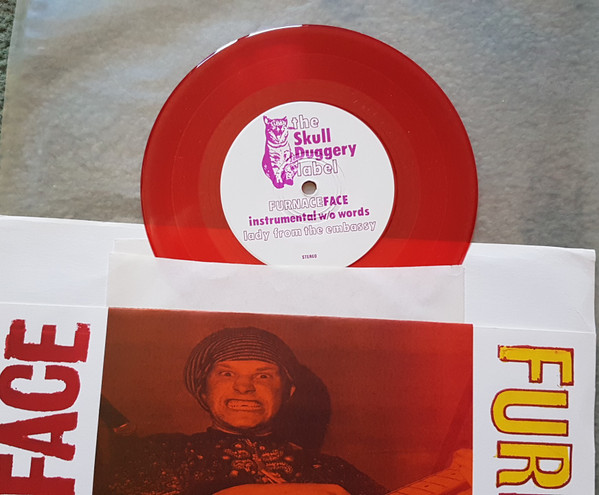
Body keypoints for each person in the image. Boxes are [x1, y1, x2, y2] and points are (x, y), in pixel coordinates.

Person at [97, 327, 388, 495]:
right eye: (226, 374)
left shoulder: (332, 470)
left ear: (288, 392)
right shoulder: (160, 455)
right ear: (203, 390)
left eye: (263, 375)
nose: (245, 387)